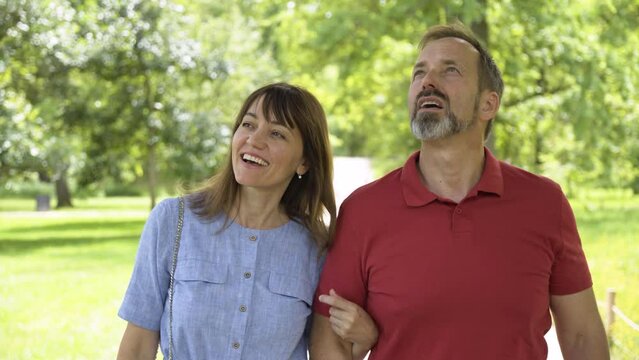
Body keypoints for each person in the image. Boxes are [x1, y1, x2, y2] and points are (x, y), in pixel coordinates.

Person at [310, 23, 609, 360]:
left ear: (488, 104)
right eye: (419, 73)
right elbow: (327, 341)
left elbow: (583, 337)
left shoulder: (545, 204)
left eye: (449, 70)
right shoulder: (364, 210)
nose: (427, 82)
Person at [116, 82, 378, 359]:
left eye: (277, 133)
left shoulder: (318, 249)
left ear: (305, 162)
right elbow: (137, 344)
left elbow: (327, 352)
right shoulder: (173, 221)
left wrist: (364, 342)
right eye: (249, 125)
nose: (254, 140)